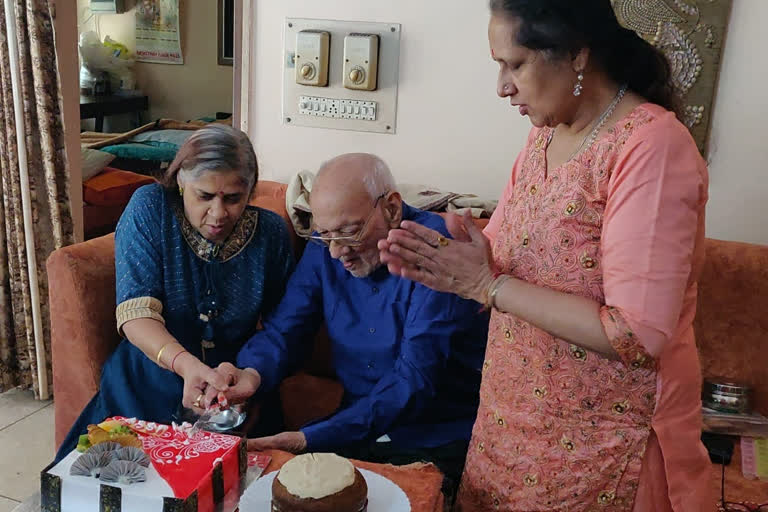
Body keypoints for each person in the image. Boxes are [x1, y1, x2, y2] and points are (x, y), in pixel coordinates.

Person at [378, 1, 713, 510]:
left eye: (515, 64)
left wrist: (486, 286)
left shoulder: (651, 146)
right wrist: (454, 261)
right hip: (509, 428)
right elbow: (518, 261)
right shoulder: (546, 134)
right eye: (499, 66)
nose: (502, 86)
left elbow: (638, 332)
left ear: (577, 54)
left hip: (599, 451)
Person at [208, 153, 488, 496]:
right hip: (353, 426)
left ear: (392, 209)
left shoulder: (439, 250)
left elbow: (414, 381)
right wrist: (250, 373)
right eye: (326, 234)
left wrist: (311, 437)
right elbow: (285, 329)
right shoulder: (325, 244)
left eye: (351, 232)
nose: (338, 252)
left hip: (434, 435)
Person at [56, 125, 293, 460]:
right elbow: (136, 314)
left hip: (230, 393)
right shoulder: (151, 208)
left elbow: (282, 327)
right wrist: (184, 365)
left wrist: (250, 373)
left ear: (250, 191)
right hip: (146, 382)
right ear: (181, 181)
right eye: (205, 196)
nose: (218, 213)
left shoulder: (270, 233)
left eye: (233, 199)